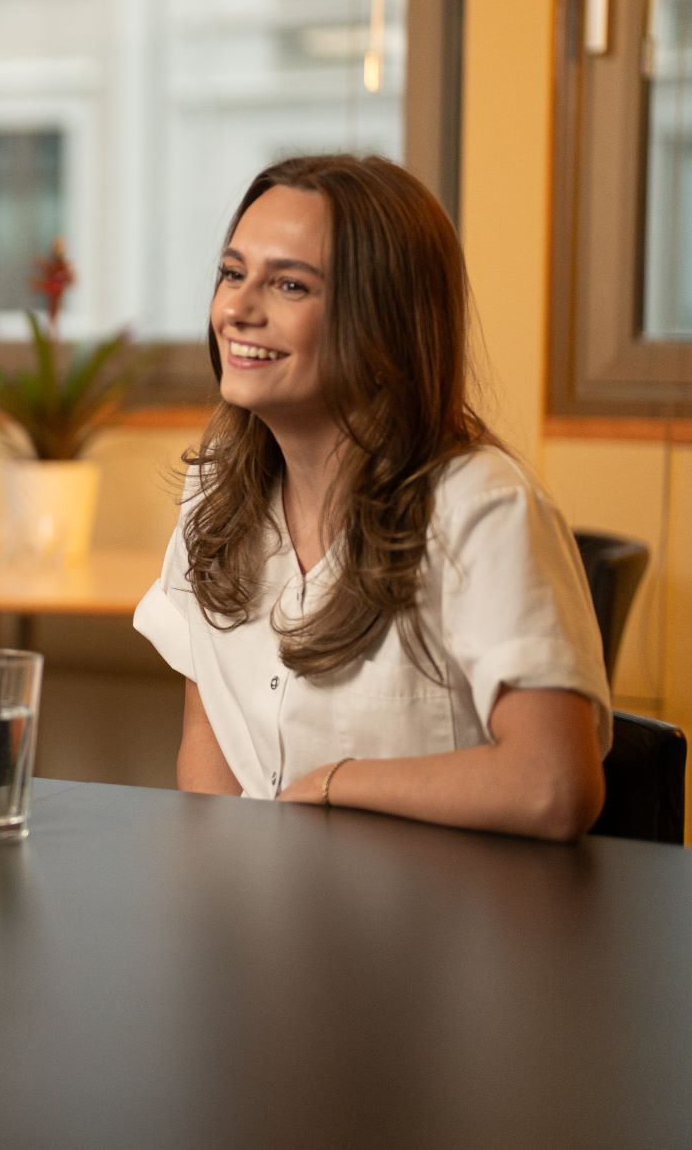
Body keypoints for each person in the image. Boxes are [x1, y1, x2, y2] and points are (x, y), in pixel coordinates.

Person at [132, 155, 610, 841]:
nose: (236, 309)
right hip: (267, 900)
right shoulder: (214, 491)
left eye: (290, 285)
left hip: (444, 904)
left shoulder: (480, 506)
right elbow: (208, 745)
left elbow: (554, 784)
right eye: (233, 274)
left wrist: (333, 783)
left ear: (385, 321)